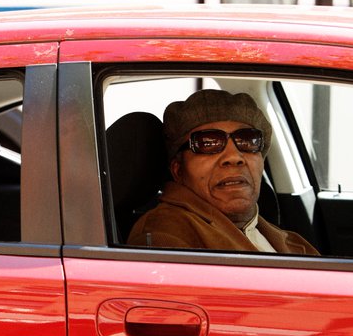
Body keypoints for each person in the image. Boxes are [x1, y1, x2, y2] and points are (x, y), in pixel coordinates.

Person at [127, 89, 318, 255]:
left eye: (247, 141)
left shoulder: (293, 242)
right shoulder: (164, 236)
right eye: (208, 143)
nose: (234, 157)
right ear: (178, 170)